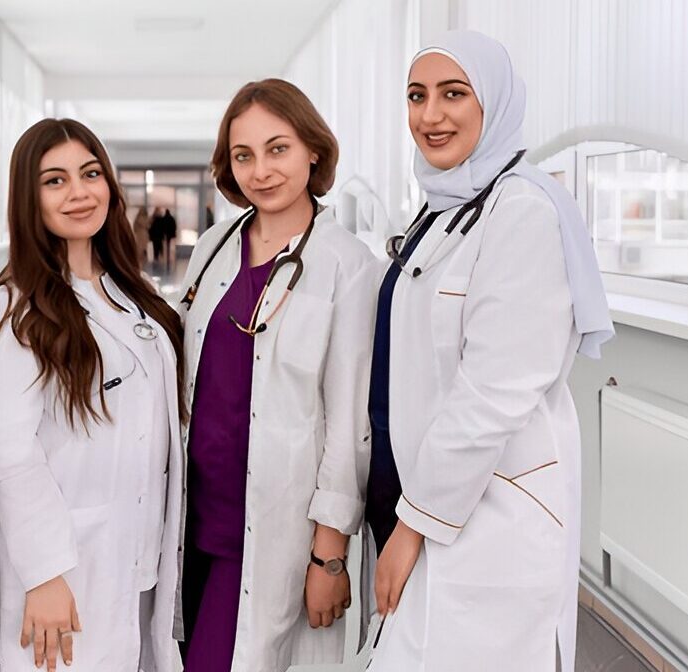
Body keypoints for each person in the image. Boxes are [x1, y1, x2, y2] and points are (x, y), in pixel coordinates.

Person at [365, 30, 613, 672]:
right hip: (430, 489)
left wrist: (413, 526)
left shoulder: (523, 211)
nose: (430, 115)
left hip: (490, 507)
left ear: (494, 103)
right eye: (417, 96)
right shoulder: (446, 207)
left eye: (454, 94)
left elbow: (495, 392)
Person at [0, 118, 187, 672]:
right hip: (61, 570)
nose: (78, 192)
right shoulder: (13, 308)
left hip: (134, 561)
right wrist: (43, 575)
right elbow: (10, 454)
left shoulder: (129, 295)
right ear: (28, 198)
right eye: (54, 181)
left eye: (90, 174)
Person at [177, 78, 377, 671]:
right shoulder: (213, 246)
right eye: (243, 155)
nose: (260, 171)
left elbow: (348, 419)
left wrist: (329, 556)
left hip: (273, 527)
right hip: (193, 517)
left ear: (312, 150)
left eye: (278, 148)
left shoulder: (347, 264)